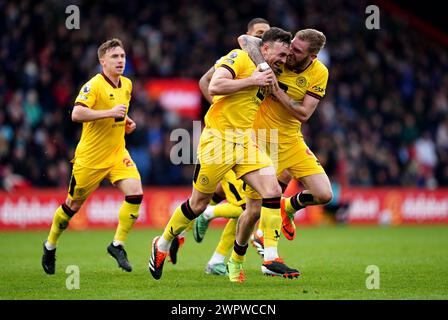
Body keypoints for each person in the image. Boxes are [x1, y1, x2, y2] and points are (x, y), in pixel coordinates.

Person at [149, 27, 299, 283]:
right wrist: (252, 80)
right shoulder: (239, 58)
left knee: (272, 191)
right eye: (281, 54)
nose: (283, 61)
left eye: (286, 56)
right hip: (217, 142)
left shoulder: (270, 72)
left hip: (244, 143)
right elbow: (215, 85)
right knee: (197, 204)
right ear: (265, 49)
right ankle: (162, 244)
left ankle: (271, 257)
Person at [41, 38, 143, 274]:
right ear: (102, 61)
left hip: (117, 153)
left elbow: (118, 112)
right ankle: (50, 244)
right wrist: (109, 113)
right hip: (90, 159)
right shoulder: (93, 85)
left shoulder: (127, 84)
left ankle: (117, 245)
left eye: (123, 56)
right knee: (72, 206)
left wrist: (126, 121)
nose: (120, 61)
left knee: (136, 193)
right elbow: (76, 114)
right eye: (115, 57)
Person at [238, 29, 333, 246]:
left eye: (297, 51)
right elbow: (245, 39)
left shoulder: (319, 72)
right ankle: (234, 260)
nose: (290, 53)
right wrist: (263, 67)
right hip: (260, 140)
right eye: (291, 46)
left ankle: (287, 207)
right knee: (252, 211)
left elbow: (304, 113)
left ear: (312, 57)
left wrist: (276, 90)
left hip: (291, 141)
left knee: (324, 194)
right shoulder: (277, 59)